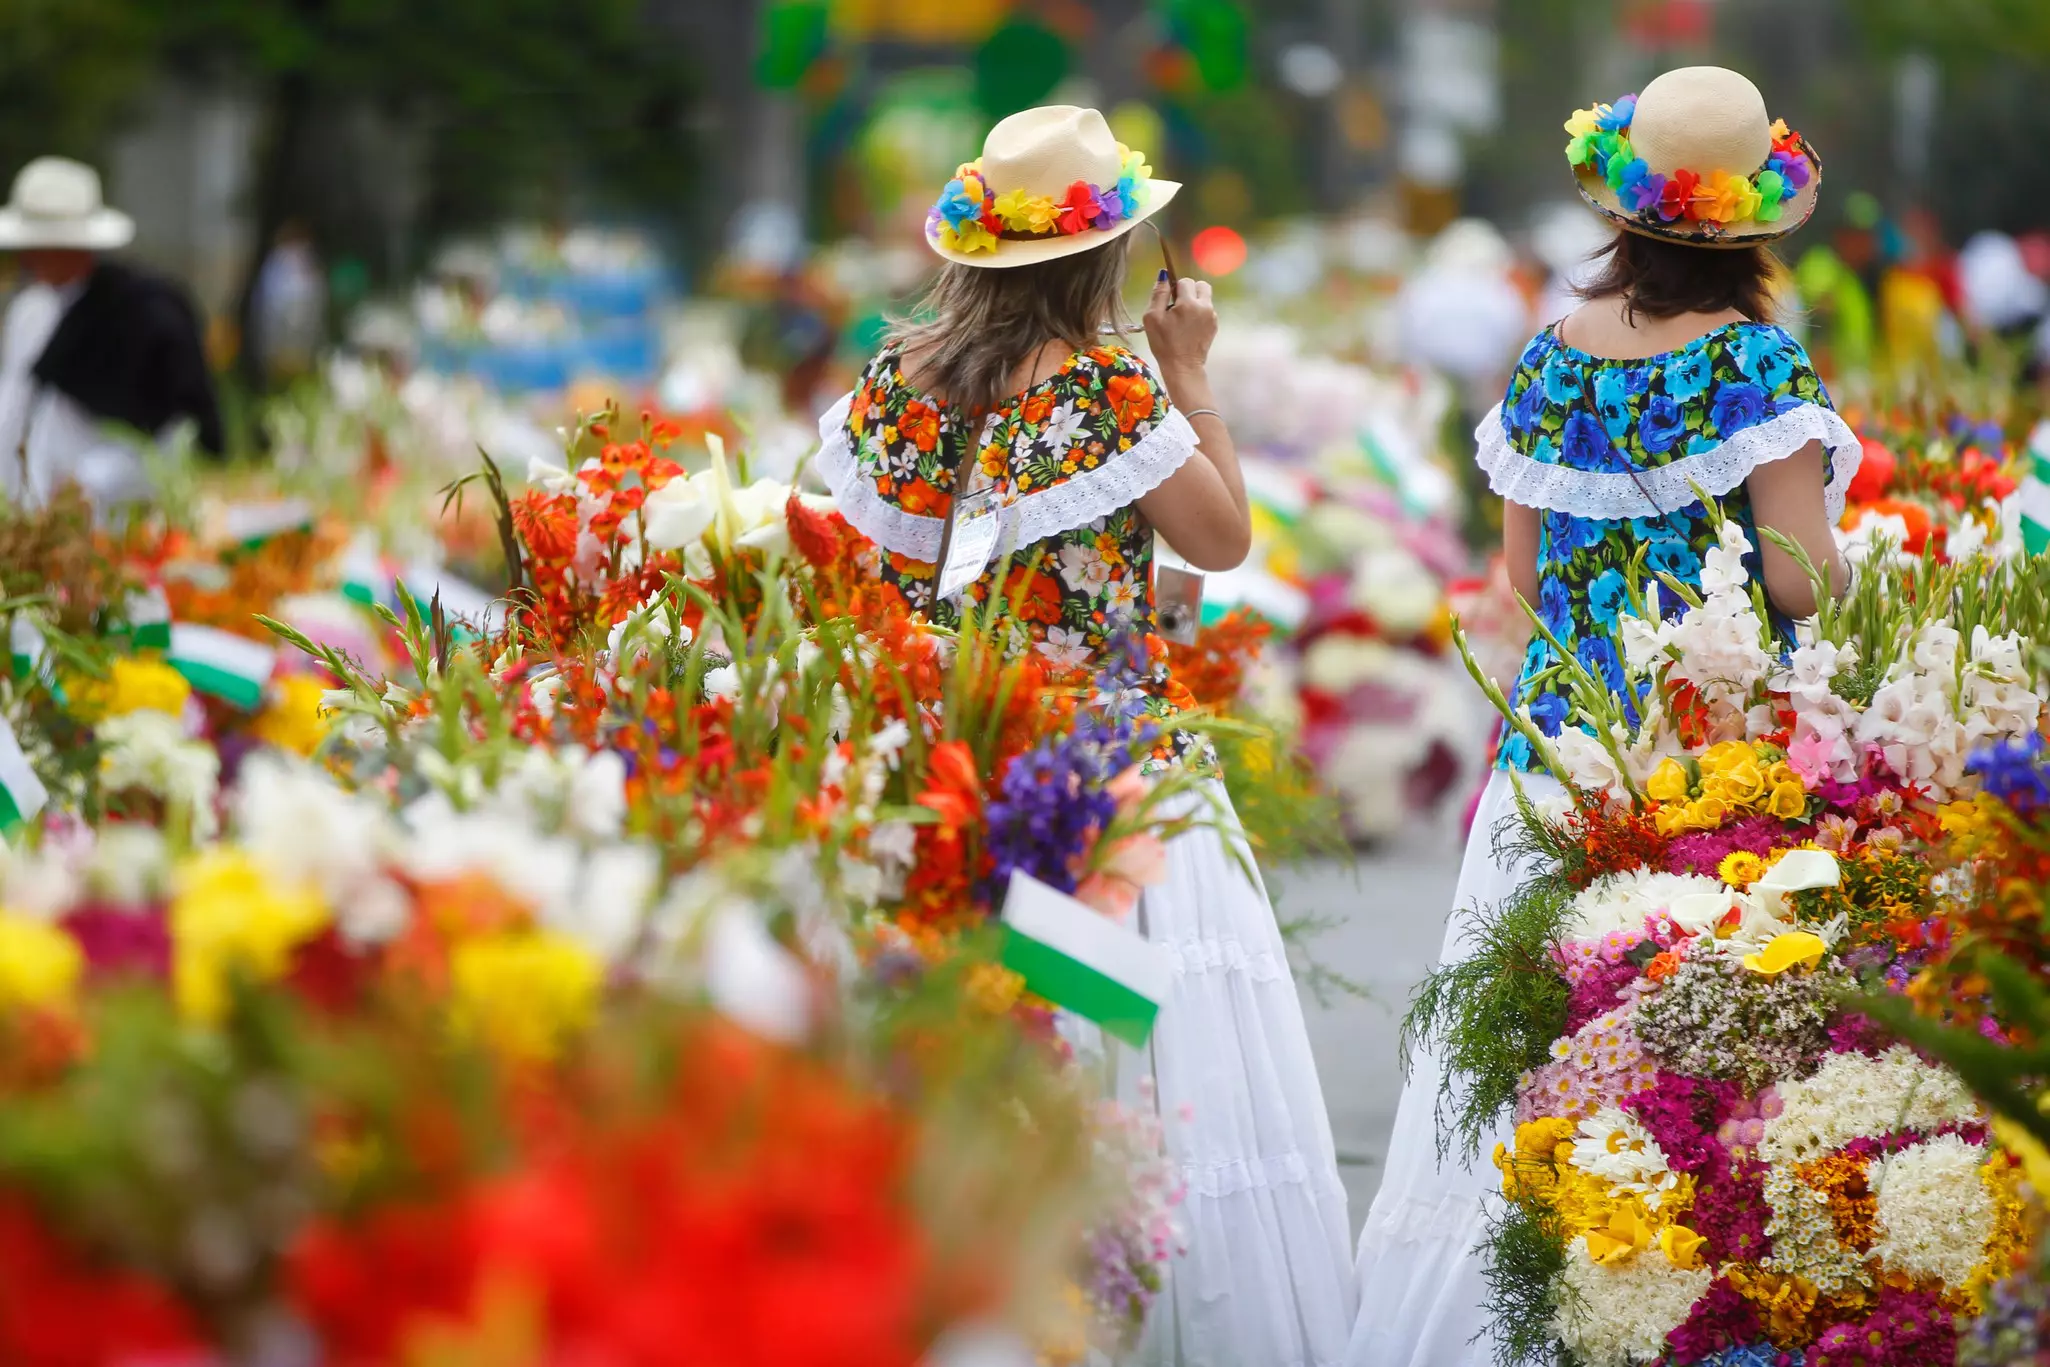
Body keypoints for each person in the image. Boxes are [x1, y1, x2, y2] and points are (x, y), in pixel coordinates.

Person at [811, 105, 1355, 1366]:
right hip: (1099, 780)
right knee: (1136, 1066)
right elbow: (1218, 541)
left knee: (972, 1049)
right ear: (1104, 254)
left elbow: (883, 570)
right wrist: (1192, 376)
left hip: (943, 765)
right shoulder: (1106, 391)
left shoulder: (896, 382)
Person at [1346, 66, 1857, 1366]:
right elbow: (1794, 576)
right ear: (1746, 230)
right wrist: (1850, 557)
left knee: (1525, 1069)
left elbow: (1518, 579)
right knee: (1684, 1087)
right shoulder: (1750, 362)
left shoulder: (1549, 355)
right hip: (1709, 762)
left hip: (1553, 761)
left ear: (1620, 215)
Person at [0, 156, 223, 514]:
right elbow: (13, 408)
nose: (30, 256)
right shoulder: (28, 312)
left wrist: (94, 482)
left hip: (108, 515)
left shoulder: (143, 315)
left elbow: (168, 435)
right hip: (27, 509)